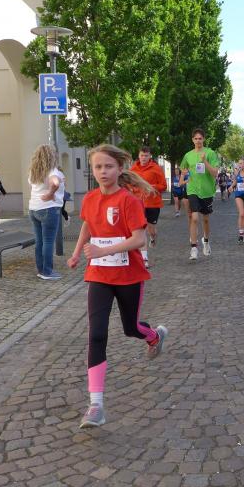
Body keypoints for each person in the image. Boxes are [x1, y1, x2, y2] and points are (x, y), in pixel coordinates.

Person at [67, 144, 168, 429]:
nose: (103, 172)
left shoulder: (129, 201)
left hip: (128, 275)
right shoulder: (90, 199)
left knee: (130, 328)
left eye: (108, 166)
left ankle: (154, 336)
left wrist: (103, 251)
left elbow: (139, 239)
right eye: (98, 167)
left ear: (119, 168)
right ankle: (96, 405)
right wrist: (77, 253)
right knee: (96, 334)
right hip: (99, 275)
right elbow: (88, 226)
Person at [179, 128, 220, 260]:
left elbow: (215, 173)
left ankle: (206, 241)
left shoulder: (210, 153)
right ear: (192, 140)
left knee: (205, 220)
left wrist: (205, 161)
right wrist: (183, 177)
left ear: (204, 139)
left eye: (200, 138)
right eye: (195, 139)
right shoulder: (188, 155)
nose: (198, 141)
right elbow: (183, 169)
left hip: (207, 191)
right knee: (194, 218)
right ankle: (194, 248)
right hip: (193, 190)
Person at [28, 144, 65, 280]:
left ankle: (41, 270)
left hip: (34, 208)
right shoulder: (52, 170)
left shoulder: (33, 171)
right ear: (52, 156)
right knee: (48, 241)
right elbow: (54, 183)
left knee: (39, 241)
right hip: (49, 208)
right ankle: (47, 272)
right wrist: (50, 193)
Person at [130, 146, 167, 269]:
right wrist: (133, 189)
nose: (144, 158)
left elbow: (164, 186)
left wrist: (152, 187)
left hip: (153, 203)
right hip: (138, 203)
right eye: (142, 155)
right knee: (142, 230)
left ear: (150, 156)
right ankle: (144, 258)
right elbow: (128, 184)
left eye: (146, 156)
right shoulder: (133, 169)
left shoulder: (156, 168)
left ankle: (153, 237)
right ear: (138, 156)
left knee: (151, 230)